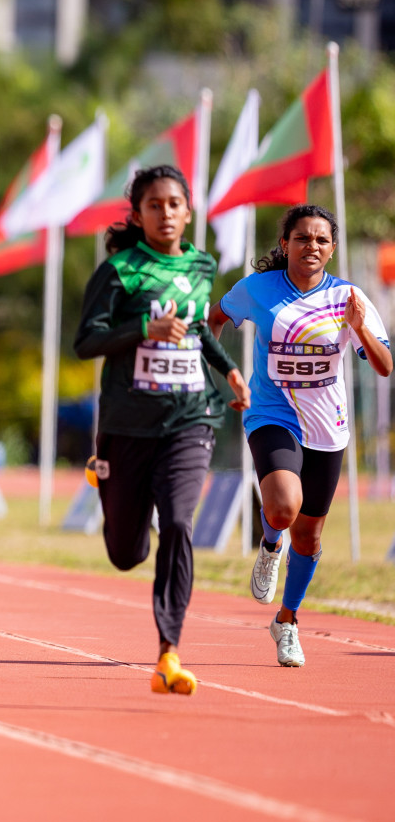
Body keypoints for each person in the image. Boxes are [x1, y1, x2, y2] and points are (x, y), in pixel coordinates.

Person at [74, 164, 249, 694]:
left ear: (188, 211)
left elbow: (196, 328)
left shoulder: (201, 265)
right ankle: (116, 490)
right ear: (139, 214)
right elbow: (86, 343)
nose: (165, 213)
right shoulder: (120, 271)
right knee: (126, 553)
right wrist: (142, 329)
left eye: (174, 204)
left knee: (178, 522)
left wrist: (230, 369)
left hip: (189, 418)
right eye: (154, 205)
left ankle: (168, 650)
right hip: (128, 425)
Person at [210, 205, 392, 667]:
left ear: (332, 248)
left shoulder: (350, 298)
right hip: (271, 413)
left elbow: (385, 366)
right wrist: (222, 373)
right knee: (283, 507)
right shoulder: (256, 290)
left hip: (327, 426)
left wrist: (357, 329)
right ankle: (271, 544)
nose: (311, 246)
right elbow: (213, 320)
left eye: (320, 240)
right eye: (301, 238)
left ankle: (286, 621)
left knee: (309, 538)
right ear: (285, 244)